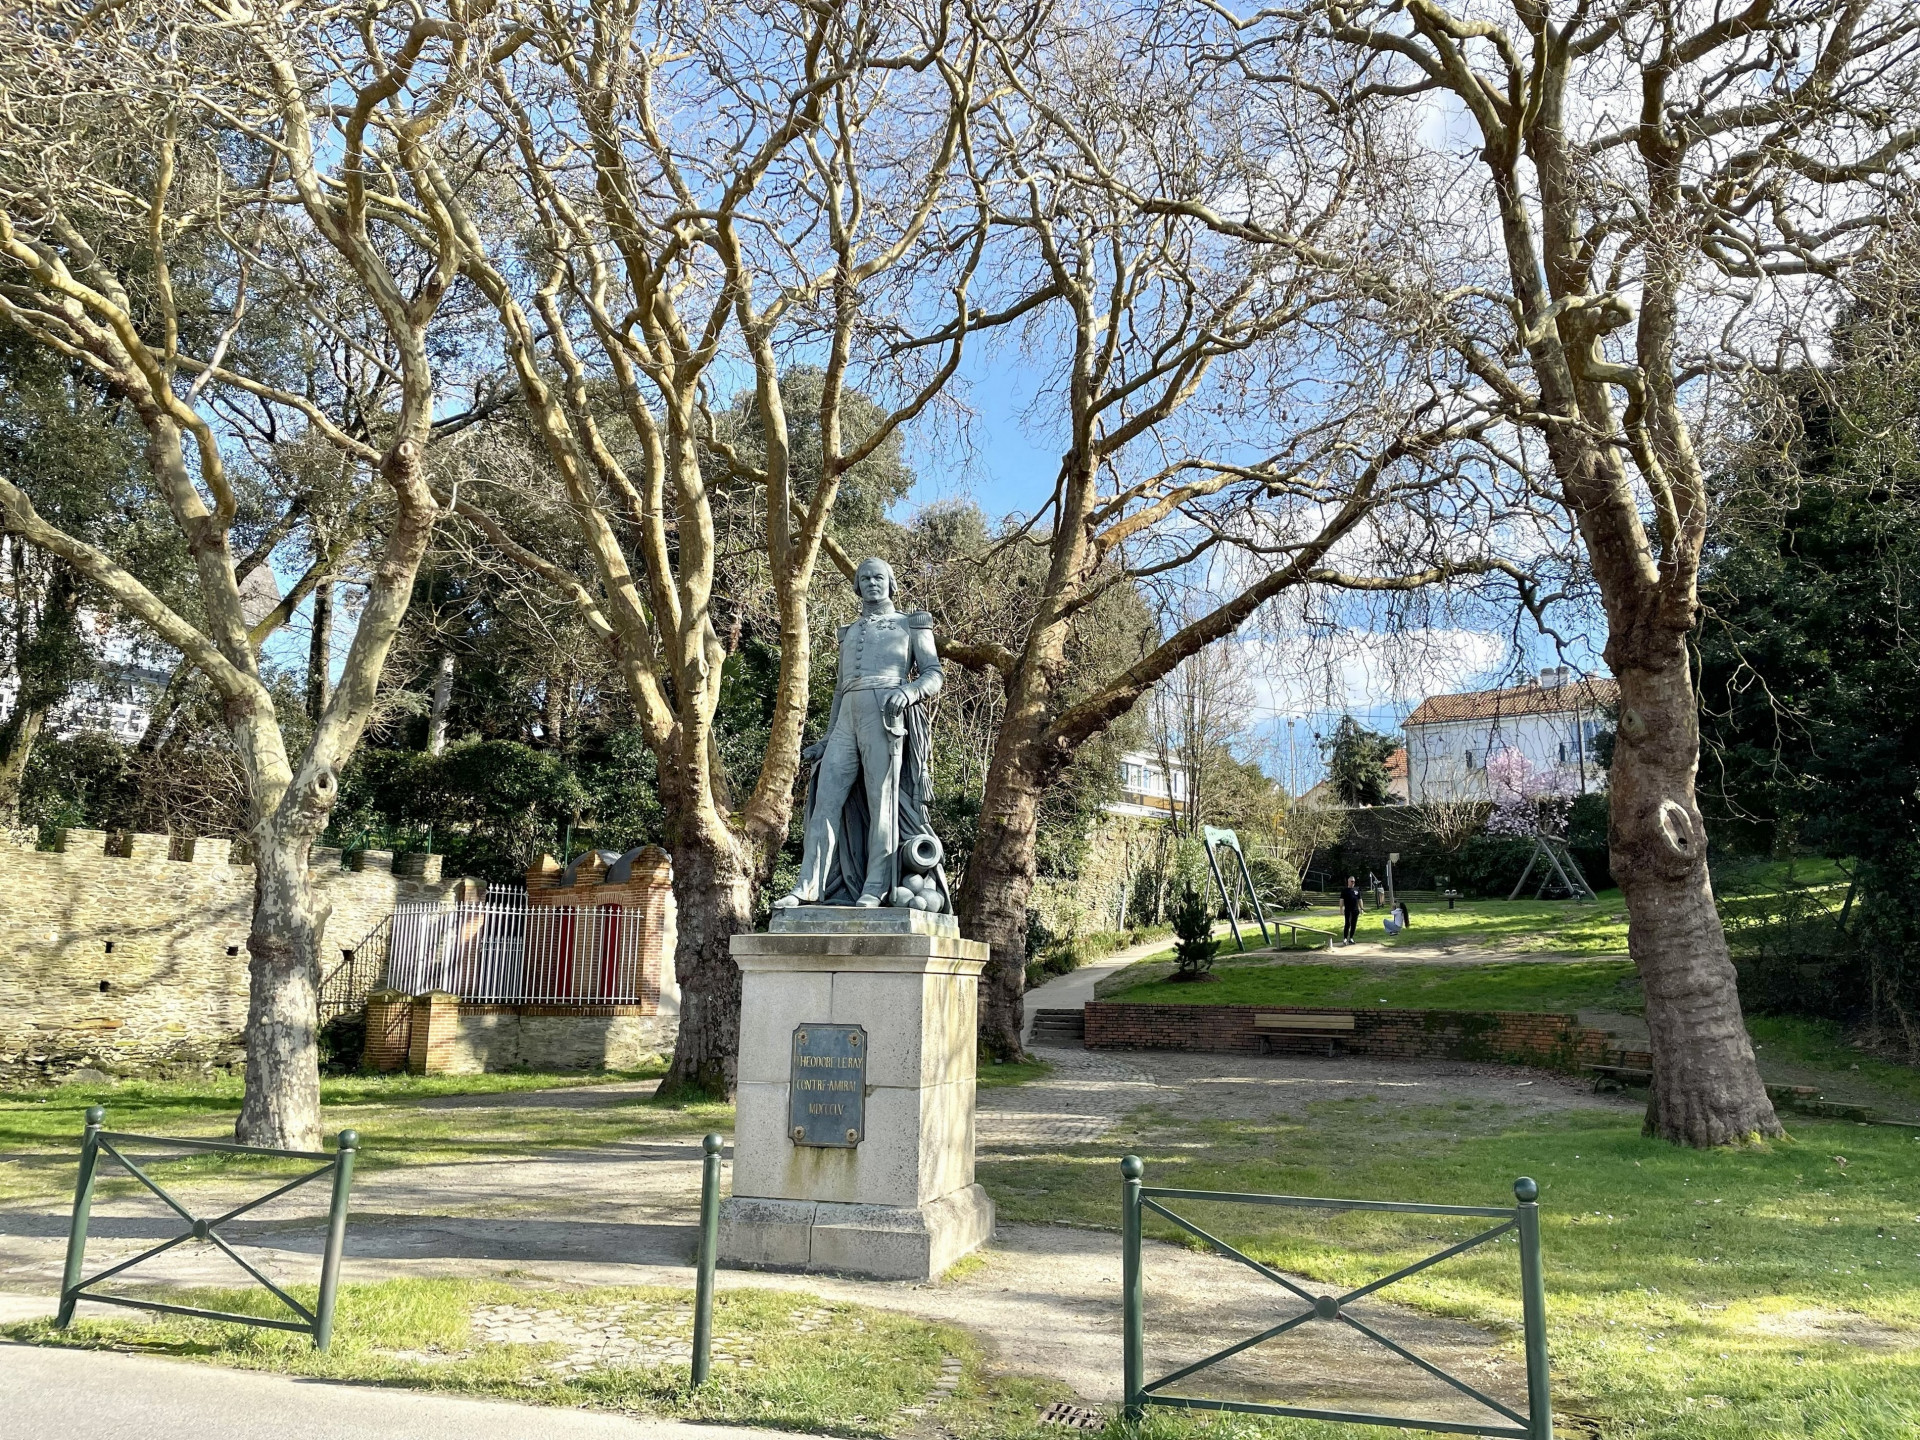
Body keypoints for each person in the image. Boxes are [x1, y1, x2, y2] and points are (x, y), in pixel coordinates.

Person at [1340, 875, 1363, 944]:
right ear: (1348, 881)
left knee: (1354, 924)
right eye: (1352, 881)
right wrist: (1341, 908)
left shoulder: (1357, 890)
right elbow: (1341, 900)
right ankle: (1345, 938)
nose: (1353, 883)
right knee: (1347, 923)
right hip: (1348, 910)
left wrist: (1361, 908)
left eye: (1354, 881)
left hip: (1355, 910)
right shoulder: (1344, 890)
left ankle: (1351, 938)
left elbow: (1360, 899)